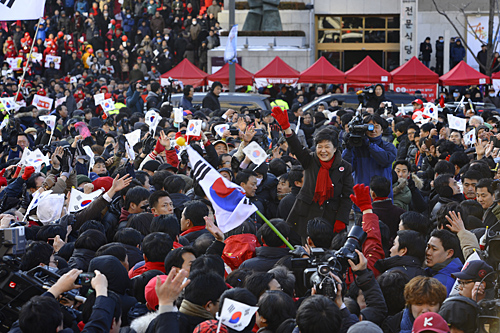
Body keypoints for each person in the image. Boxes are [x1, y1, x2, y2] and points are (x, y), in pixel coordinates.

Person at [271, 106, 354, 243]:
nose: (323, 151)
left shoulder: (345, 167)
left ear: (335, 148)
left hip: (331, 217)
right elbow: (297, 147)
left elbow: (347, 196)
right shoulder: (310, 159)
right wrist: (286, 127)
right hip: (306, 215)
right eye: (319, 147)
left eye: (327, 146)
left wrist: (341, 219)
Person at [343, 114, 397, 199]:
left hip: (382, 199)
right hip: (362, 198)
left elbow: (385, 161)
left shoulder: (388, 147)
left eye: (376, 127)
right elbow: (347, 168)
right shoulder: (357, 148)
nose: (373, 130)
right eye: (370, 127)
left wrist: (369, 145)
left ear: (382, 130)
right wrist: (348, 149)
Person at [424, 229, 463, 295]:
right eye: (428, 247)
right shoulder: (436, 272)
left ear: (449, 253)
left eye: (434, 249)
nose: (428, 252)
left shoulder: (441, 283)